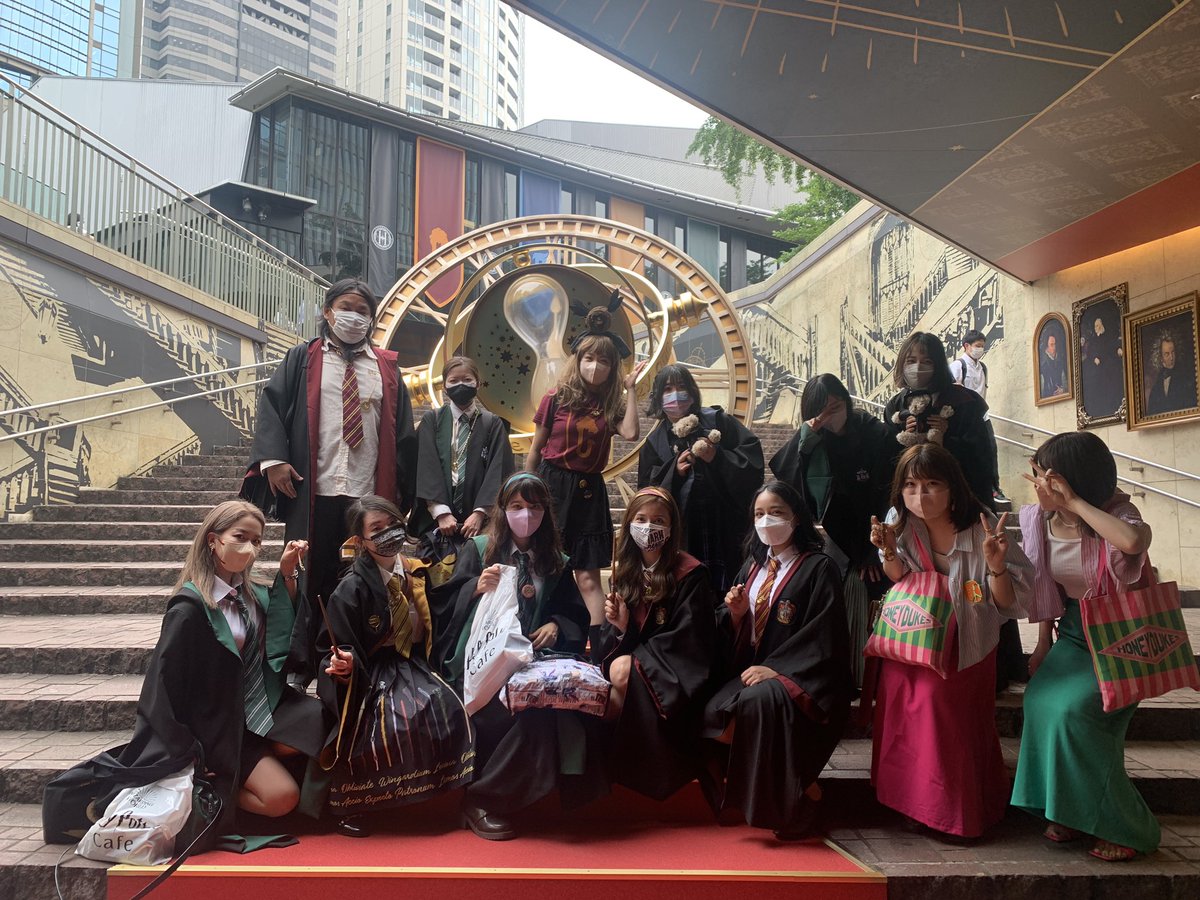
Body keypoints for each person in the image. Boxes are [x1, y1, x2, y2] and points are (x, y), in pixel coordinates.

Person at [114, 500, 325, 844]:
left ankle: (253, 765)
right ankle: (215, 796)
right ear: (213, 540)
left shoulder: (254, 594)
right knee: (282, 797)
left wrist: (288, 572)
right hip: (215, 724)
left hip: (256, 712)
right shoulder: (189, 609)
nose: (249, 547)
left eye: (257, 541)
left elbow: (282, 633)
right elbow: (165, 684)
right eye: (240, 537)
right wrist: (186, 748)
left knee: (320, 726)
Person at [246, 278, 418, 686]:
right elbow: (273, 405)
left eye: (363, 311)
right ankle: (302, 663)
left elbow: (404, 434)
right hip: (316, 488)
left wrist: (401, 495)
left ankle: (357, 659)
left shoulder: (386, 368)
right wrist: (275, 461)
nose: (354, 316)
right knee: (311, 576)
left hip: (365, 493)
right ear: (328, 312)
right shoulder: (303, 358)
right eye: (347, 307)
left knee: (362, 578)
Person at [868, 445, 1032, 840]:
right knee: (901, 713)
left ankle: (954, 813)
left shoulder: (982, 526)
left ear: (953, 487)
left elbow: (1008, 603)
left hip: (965, 639)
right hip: (913, 634)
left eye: (931, 485)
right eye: (910, 486)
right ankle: (910, 803)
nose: (920, 496)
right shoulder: (899, 521)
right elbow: (898, 576)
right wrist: (887, 549)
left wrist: (996, 567)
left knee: (945, 718)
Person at [1012, 432, 1158, 861]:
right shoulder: (1037, 520)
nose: (1036, 485)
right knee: (1039, 701)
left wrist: (1074, 503)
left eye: (1044, 476)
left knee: (1078, 713)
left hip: (1125, 633)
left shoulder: (1118, 513)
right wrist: (1042, 644)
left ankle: (1129, 828)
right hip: (1075, 630)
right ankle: (1069, 812)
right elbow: (1043, 586)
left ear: (1070, 479)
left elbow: (1133, 543)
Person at [438, 472, 603, 840]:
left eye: (534, 506)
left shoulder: (556, 561)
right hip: (482, 665)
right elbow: (445, 606)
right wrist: (474, 588)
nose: (525, 514)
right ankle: (484, 799)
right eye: (516, 506)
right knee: (526, 716)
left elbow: (574, 613)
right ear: (502, 510)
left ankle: (482, 800)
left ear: (546, 512)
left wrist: (557, 625)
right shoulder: (479, 549)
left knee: (544, 711)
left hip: (533, 661)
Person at [702, 481, 852, 841]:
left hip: (802, 675)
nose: (766, 520)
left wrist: (778, 669)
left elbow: (825, 633)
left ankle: (799, 801)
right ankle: (799, 787)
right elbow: (728, 622)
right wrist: (736, 613)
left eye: (776, 512)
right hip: (752, 669)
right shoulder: (753, 567)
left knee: (757, 704)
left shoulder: (819, 567)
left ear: (796, 517)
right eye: (759, 514)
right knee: (713, 716)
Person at [315, 495, 473, 837]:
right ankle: (356, 801)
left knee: (446, 702)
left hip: (415, 661)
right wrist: (344, 663)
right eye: (376, 529)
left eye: (392, 524)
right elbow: (335, 644)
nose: (388, 532)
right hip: (373, 669)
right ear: (360, 540)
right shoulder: (351, 587)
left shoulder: (418, 571)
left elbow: (442, 611)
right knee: (388, 718)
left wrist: (474, 591)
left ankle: (450, 792)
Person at [884, 331, 1026, 691]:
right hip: (915, 517)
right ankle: (922, 653)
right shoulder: (895, 405)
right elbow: (887, 459)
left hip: (960, 511)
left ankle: (995, 665)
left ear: (939, 362)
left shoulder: (965, 402)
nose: (918, 367)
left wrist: (949, 438)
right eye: (911, 360)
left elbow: (982, 454)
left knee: (978, 589)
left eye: (926, 360)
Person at [525, 305, 647, 656]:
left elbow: (631, 432)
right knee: (540, 565)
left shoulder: (611, 404)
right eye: (589, 358)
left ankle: (599, 653)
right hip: (551, 487)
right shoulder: (555, 398)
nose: (595, 365)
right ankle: (531, 636)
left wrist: (630, 389)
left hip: (589, 493)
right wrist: (526, 488)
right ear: (577, 360)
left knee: (589, 577)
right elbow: (535, 448)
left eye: (604, 360)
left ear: (613, 367)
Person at [770, 374, 891, 688]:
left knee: (873, 593)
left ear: (847, 403)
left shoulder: (872, 431)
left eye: (836, 407)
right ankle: (843, 674)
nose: (830, 416)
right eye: (821, 411)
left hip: (879, 533)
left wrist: (874, 548)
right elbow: (790, 484)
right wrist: (805, 444)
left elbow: (888, 492)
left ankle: (876, 678)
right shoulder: (814, 439)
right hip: (839, 537)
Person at [600, 487, 717, 800]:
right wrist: (621, 627)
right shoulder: (625, 572)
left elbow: (690, 638)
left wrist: (634, 658)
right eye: (640, 519)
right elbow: (610, 641)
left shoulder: (690, 574)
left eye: (658, 520)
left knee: (621, 674)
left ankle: (632, 769)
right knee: (608, 692)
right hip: (641, 663)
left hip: (676, 669)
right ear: (629, 523)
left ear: (671, 527)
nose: (648, 527)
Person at [637, 363, 764, 592]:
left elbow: (752, 462)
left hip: (723, 525)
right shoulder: (654, 443)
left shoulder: (718, 421)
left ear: (692, 391)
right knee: (690, 591)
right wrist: (674, 472)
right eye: (667, 389)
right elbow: (646, 495)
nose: (675, 394)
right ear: (658, 397)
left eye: (681, 387)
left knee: (732, 589)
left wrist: (717, 457)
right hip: (685, 531)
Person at [411, 356, 515, 549]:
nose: (461, 385)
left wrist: (480, 513)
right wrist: (441, 512)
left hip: (481, 522)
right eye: (454, 380)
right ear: (444, 386)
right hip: (438, 519)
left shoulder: (492, 424)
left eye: (467, 380)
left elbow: (499, 469)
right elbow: (426, 466)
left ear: (478, 384)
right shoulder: (432, 420)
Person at [950, 330, 1005, 502]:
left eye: (982, 346)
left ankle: (994, 488)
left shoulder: (983, 368)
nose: (980, 349)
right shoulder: (958, 366)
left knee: (990, 450)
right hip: (964, 418)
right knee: (968, 453)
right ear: (966, 346)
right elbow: (951, 391)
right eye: (977, 346)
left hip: (982, 416)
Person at [1080, 313, 1124, 417]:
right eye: (1096, 326)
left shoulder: (1108, 337)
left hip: (1108, 365)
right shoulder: (1093, 340)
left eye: (1099, 325)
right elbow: (1090, 352)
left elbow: (1113, 346)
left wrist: (1118, 349)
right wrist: (1094, 358)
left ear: (1103, 326)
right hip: (1097, 368)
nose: (1097, 328)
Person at [1145, 329, 1196, 416]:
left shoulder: (1185, 378)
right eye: (1167, 354)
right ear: (1161, 358)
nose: (1171, 358)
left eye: (1173, 352)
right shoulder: (1156, 387)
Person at [1039, 332, 1069, 399]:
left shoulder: (1061, 358)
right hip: (1048, 396)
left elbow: (1067, 378)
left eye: (1055, 344)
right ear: (1047, 346)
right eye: (1051, 345)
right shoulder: (1043, 362)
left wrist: (1063, 390)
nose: (1054, 347)